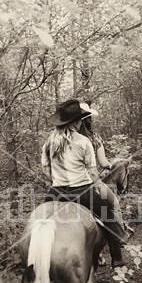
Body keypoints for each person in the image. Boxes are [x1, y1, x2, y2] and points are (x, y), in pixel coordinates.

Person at [41, 98, 125, 268]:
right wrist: (100, 188)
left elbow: (45, 170)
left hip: (56, 193)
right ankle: (117, 259)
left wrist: (58, 181)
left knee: (40, 223)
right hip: (82, 192)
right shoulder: (83, 142)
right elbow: (93, 173)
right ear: (76, 122)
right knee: (108, 216)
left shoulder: (50, 141)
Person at [79, 107, 129, 238]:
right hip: (90, 182)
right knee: (114, 204)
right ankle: (119, 235)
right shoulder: (94, 138)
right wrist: (113, 163)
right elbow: (103, 163)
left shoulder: (68, 138)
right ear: (88, 120)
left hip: (67, 183)